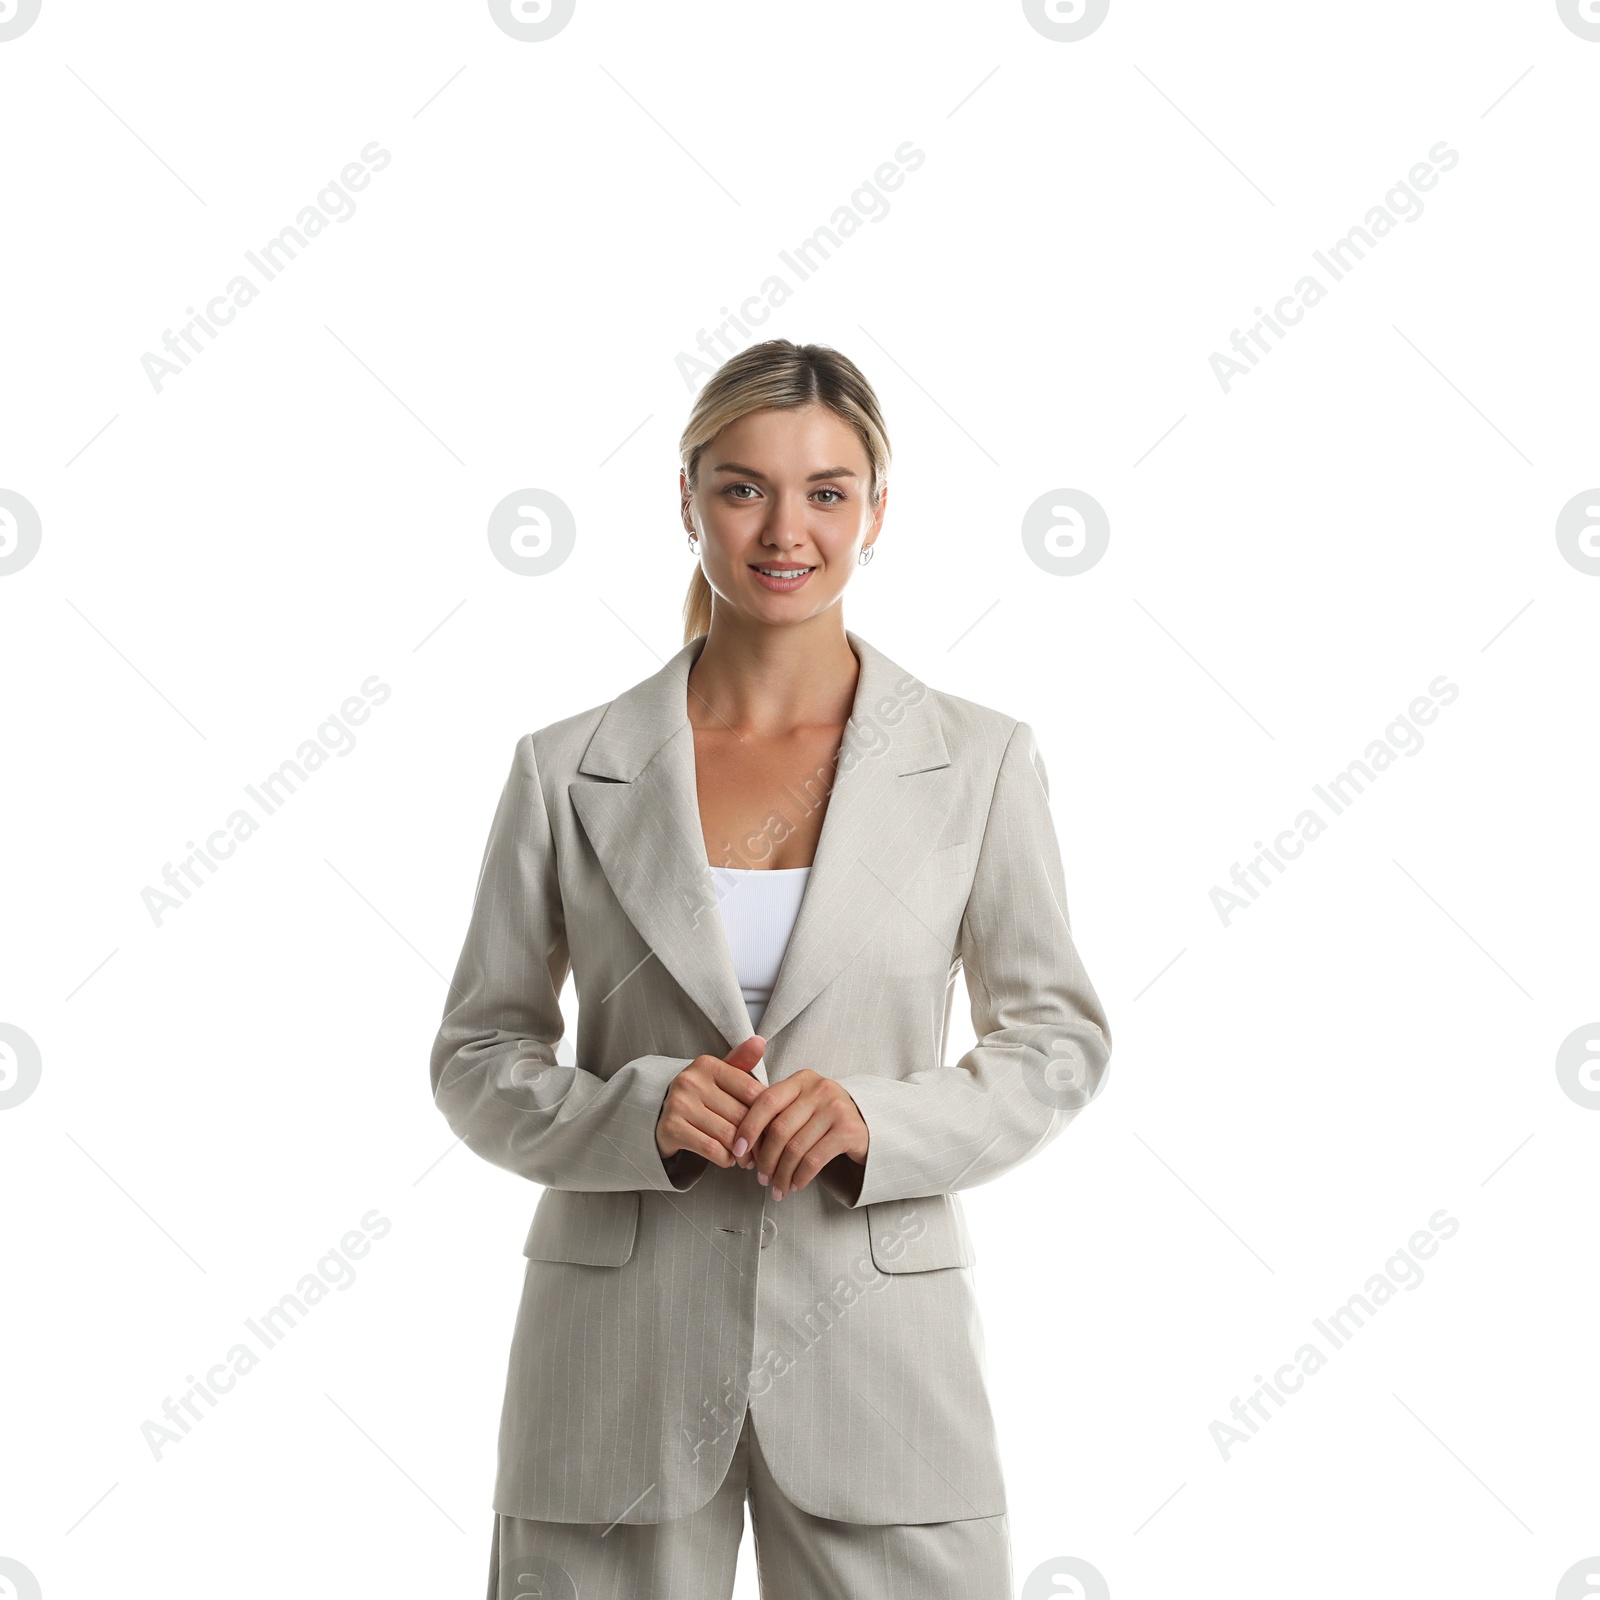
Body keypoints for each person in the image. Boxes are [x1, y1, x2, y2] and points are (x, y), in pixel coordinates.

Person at [429, 337, 1113, 1599]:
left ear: (876, 512)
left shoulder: (978, 760)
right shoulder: (562, 766)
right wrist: (634, 1112)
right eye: (742, 487)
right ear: (685, 500)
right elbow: (476, 1057)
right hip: (613, 1372)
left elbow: (1057, 1040)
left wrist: (875, 1119)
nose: (783, 527)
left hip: (880, 1364)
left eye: (826, 490)